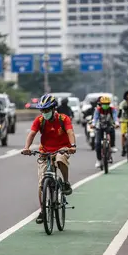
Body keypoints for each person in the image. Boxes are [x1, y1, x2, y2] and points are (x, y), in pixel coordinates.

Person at [22, 94, 76, 224]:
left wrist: (72, 146)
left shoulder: (64, 118)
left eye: (46, 110)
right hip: (45, 151)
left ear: (53, 109)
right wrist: (26, 147)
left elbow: (70, 132)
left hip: (62, 148)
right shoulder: (40, 120)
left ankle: (66, 182)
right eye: (42, 110)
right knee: (41, 184)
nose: (44, 113)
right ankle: (42, 211)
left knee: (59, 159)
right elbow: (32, 133)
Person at [91, 96, 119, 168]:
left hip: (109, 126)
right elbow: (95, 118)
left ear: (109, 104)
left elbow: (115, 117)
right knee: (97, 144)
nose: (105, 105)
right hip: (99, 127)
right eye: (103, 104)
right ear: (101, 103)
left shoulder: (112, 109)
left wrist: (117, 123)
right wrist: (93, 124)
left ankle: (112, 146)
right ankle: (99, 160)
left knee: (112, 131)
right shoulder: (98, 110)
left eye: (107, 104)